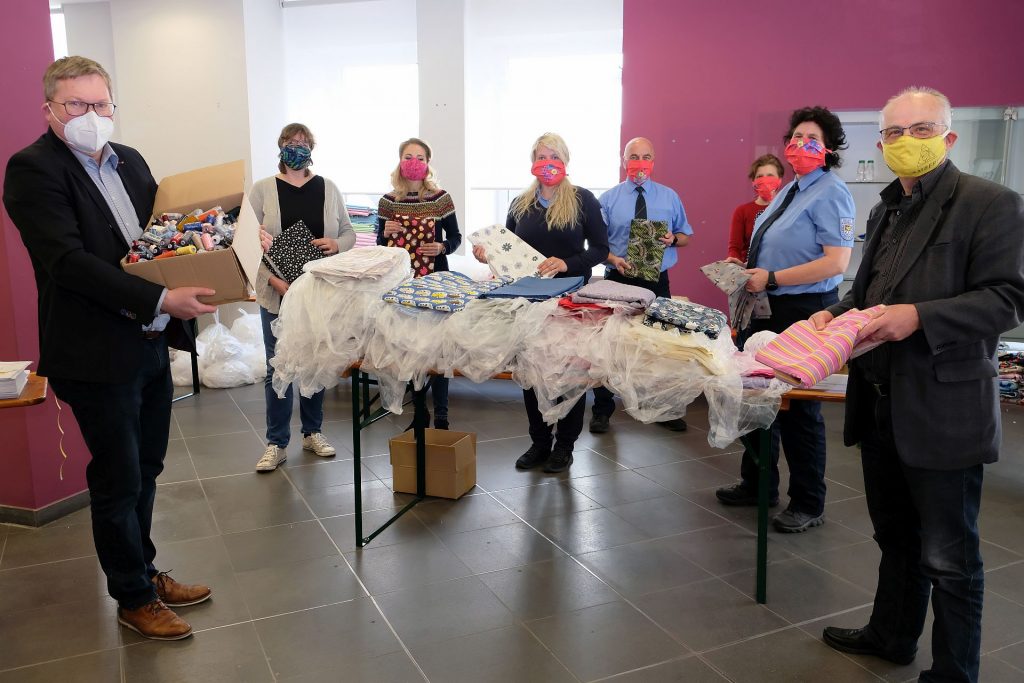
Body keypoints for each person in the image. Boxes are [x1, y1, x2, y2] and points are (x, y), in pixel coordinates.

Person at [816, 87, 1024, 683]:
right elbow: (870, 290)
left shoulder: (991, 203)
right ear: (881, 144)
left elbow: (1007, 299)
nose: (907, 142)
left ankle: (954, 673)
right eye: (895, 134)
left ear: (949, 137)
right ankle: (891, 634)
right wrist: (837, 311)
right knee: (895, 537)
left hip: (942, 406)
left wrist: (920, 318)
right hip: (879, 399)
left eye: (921, 129)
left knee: (951, 559)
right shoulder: (886, 209)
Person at [3, 56, 214, 640]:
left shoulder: (133, 162)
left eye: (100, 104)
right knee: (118, 478)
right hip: (95, 352)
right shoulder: (32, 171)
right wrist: (159, 301)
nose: (91, 116)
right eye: (76, 105)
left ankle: (144, 570)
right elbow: (68, 263)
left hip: (147, 342)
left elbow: (161, 239)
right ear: (49, 109)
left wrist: (221, 238)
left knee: (147, 467)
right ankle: (132, 597)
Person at [714, 106, 855, 533]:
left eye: (811, 138)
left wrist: (772, 277)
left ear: (829, 148)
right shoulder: (792, 189)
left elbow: (836, 262)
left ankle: (809, 502)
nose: (799, 145)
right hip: (766, 306)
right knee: (758, 397)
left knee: (798, 411)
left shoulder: (831, 191)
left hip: (803, 311)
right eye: (795, 137)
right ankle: (758, 483)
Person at [473, 132, 609, 473]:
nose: (547, 162)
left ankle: (564, 445)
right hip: (527, 299)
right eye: (540, 156)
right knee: (530, 370)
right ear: (532, 162)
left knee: (569, 371)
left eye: (553, 155)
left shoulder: (582, 200)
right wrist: (484, 253)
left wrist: (567, 264)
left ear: (564, 160)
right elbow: (505, 251)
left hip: (567, 298)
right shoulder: (520, 204)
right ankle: (539, 441)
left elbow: (599, 250)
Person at [252, 123, 355, 472]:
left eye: (304, 143)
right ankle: (276, 442)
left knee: (313, 361)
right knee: (277, 365)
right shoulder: (263, 189)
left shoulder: (328, 187)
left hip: (317, 291)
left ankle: (312, 433)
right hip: (277, 291)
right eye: (290, 143)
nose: (297, 147)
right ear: (280, 147)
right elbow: (249, 242)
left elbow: (348, 231)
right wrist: (273, 281)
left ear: (312, 148)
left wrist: (337, 244)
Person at [588, 136, 693, 434]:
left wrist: (674, 239)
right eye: (634, 156)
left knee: (662, 344)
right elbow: (597, 244)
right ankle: (602, 410)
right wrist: (613, 258)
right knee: (609, 346)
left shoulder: (670, 197)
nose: (640, 162)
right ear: (623, 160)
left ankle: (663, 408)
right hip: (618, 277)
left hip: (657, 281)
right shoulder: (607, 199)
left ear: (654, 161)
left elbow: (686, 236)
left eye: (646, 156)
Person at [377, 137, 462, 430]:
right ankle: (419, 412)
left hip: (438, 280)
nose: (415, 162)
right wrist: (386, 232)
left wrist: (442, 248)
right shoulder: (388, 201)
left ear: (428, 163)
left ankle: (441, 414)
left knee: (439, 350)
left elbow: (456, 238)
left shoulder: (441, 198)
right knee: (411, 348)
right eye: (409, 156)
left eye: (421, 157)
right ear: (400, 161)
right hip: (404, 282)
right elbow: (381, 244)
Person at [726, 154, 785, 263]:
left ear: (779, 180)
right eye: (759, 176)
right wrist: (736, 264)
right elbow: (734, 248)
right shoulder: (742, 211)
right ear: (753, 182)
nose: (765, 180)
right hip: (749, 272)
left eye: (770, 175)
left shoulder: (788, 209)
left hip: (780, 273)